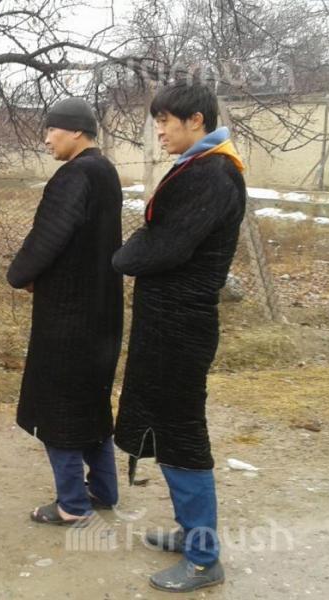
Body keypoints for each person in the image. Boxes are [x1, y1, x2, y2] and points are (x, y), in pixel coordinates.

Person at [112, 80, 247, 592]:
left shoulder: (212, 173)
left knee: (183, 433)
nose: (160, 131)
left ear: (197, 121)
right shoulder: (202, 166)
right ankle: (192, 533)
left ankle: (204, 558)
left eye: (166, 121)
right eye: (157, 122)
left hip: (181, 326)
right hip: (169, 322)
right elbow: (162, 236)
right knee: (170, 428)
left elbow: (162, 247)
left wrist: (123, 256)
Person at [7, 98, 125, 526]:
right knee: (91, 402)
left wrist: (20, 274)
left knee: (57, 407)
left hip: (68, 316)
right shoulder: (106, 172)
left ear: (76, 131)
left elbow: (49, 236)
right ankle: (104, 491)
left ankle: (72, 505)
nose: (46, 139)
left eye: (52, 129)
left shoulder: (74, 176)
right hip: (103, 312)